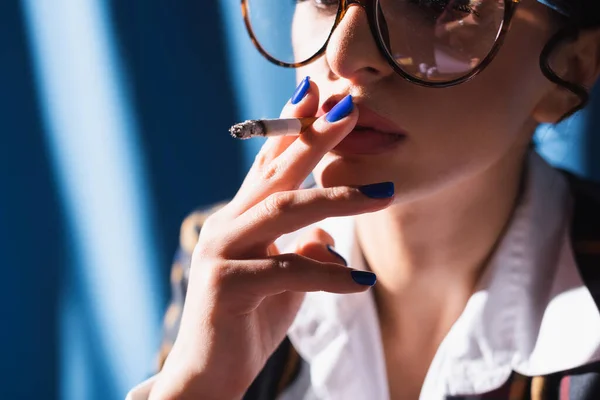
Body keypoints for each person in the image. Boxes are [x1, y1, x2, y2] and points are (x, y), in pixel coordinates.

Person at [127, 0, 600, 399]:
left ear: (568, 71)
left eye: (436, 3)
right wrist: (196, 388)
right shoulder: (228, 266)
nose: (343, 53)